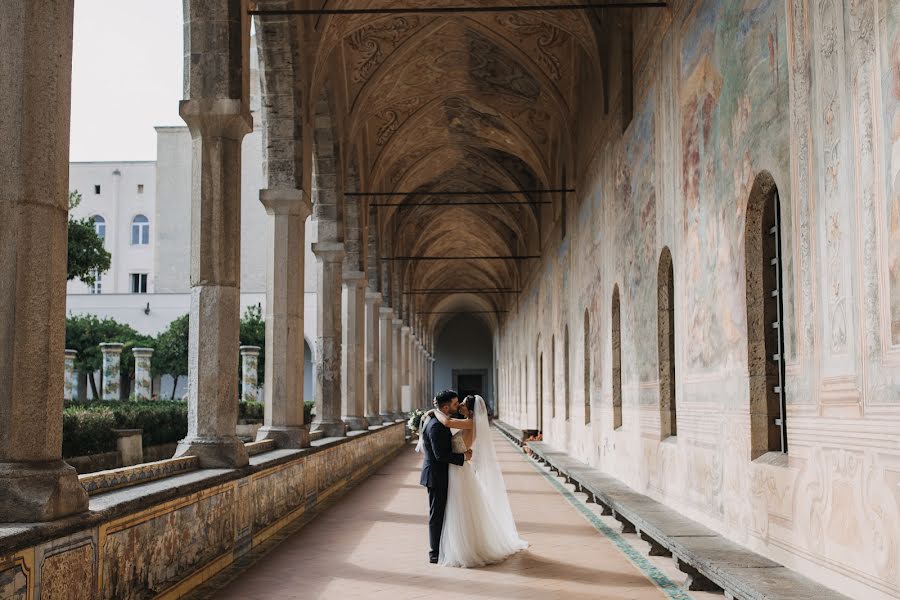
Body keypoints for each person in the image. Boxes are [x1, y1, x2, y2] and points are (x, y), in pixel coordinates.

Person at [419, 393, 528, 567]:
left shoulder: (470, 422)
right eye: (457, 403)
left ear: (470, 410)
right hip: (454, 469)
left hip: (457, 469)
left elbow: (447, 423)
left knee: (456, 510)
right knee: (455, 510)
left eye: (461, 404)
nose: (459, 405)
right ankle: (449, 546)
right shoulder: (462, 422)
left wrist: (433, 411)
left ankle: (452, 548)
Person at [418, 390, 471, 564]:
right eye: (455, 404)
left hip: (439, 473)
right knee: (437, 514)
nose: (458, 406)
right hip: (436, 474)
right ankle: (434, 553)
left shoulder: (438, 421)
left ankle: (442, 547)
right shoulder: (436, 425)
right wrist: (463, 457)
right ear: (446, 407)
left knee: (441, 512)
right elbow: (440, 455)